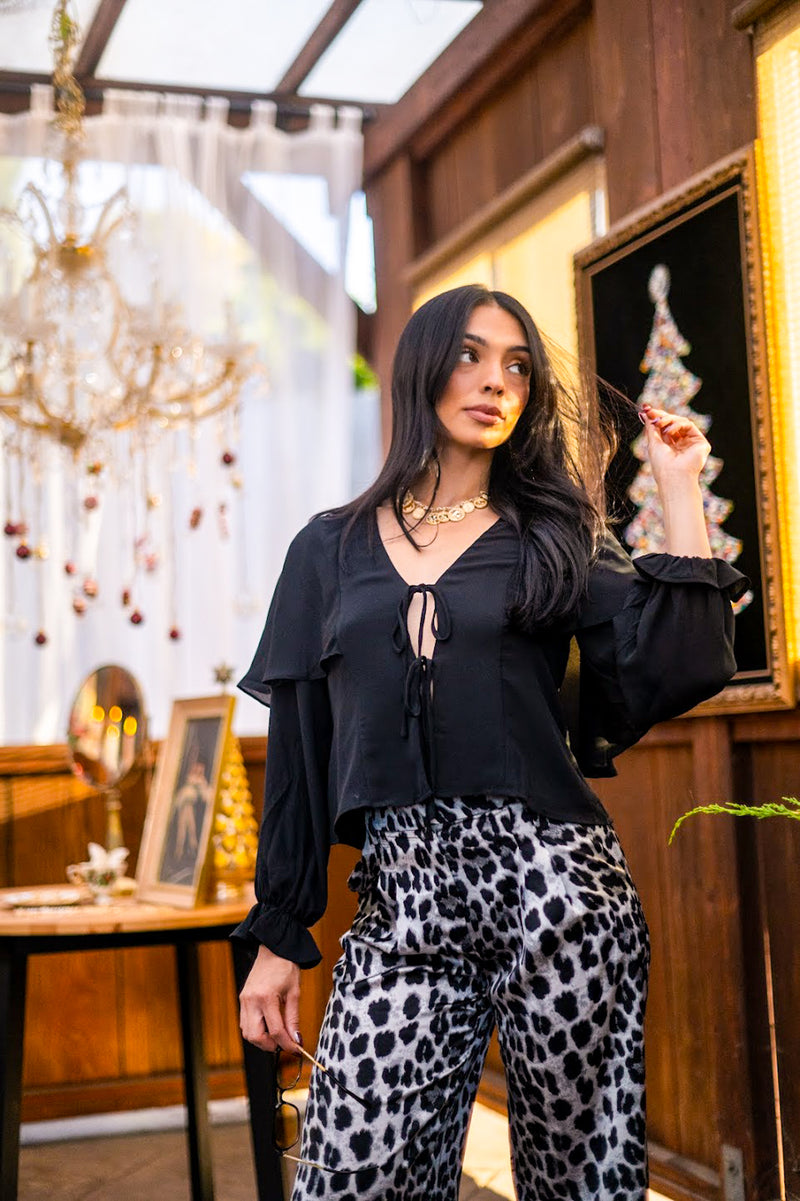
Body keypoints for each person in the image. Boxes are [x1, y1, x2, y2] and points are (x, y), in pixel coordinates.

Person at [234, 285, 747, 1201]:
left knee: (575, 1183)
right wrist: (281, 930)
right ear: (421, 368)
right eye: (471, 356)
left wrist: (677, 486)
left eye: (516, 366)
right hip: (405, 901)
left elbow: (681, 662)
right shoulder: (326, 550)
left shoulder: (555, 538)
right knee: (351, 1177)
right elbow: (301, 756)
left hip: (557, 894)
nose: (495, 381)